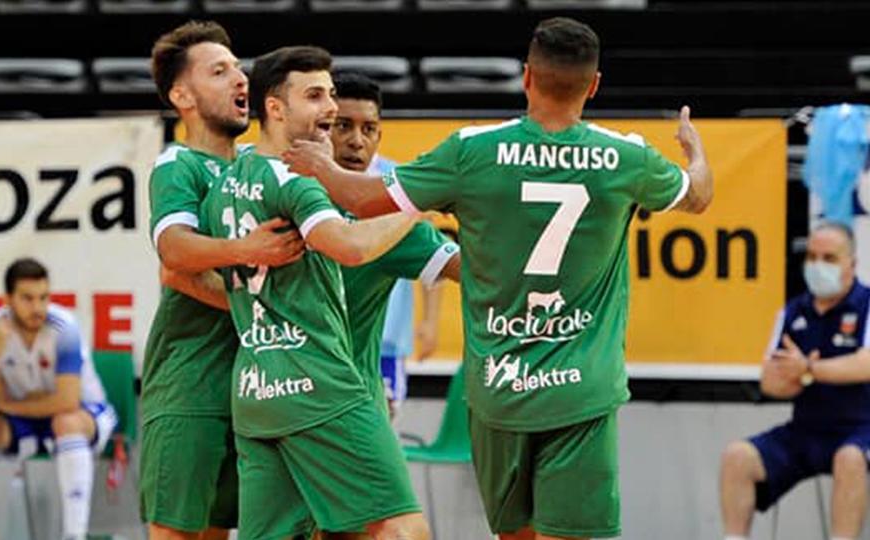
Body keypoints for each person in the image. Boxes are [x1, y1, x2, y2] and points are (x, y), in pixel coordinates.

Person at [284, 16, 713, 540]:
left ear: (527, 76)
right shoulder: (626, 157)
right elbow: (698, 195)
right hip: (580, 391)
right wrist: (696, 153)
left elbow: (360, 200)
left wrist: (321, 167)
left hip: (497, 391)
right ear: (594, 85)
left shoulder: (471, 150)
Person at [201, 45, 430, 540]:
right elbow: (348, 246)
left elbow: (200, 270)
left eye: (330, 94)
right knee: (401, 527)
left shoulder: (225, 183)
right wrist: (415, 203)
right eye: (315, 96)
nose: (330, 107)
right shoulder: (294, 178)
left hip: (258, 390)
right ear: (275, 108)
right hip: (320, 382)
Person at [142, 21, 304, 540]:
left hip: (254, 386)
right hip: (190, 388)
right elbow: (173, 255)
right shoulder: (179, 165)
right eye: (220, 71)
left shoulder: (259, 167)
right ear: (181, 95)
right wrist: (245, 251)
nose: (241, 80)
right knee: (177, 534)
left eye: (239, 68)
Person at [0, 258, 117, 540]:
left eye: (43, 297)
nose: (38, 307)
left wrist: (10, 405)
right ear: (8, 299)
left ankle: (74, 535)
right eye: (27, 298)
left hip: (84, 414)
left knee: (66, 422)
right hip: (22, 422)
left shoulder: (65, 328)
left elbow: (66, 401)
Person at [720, 223, 870, 540]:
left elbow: (865, 365)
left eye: (829, 258)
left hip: (859, 429)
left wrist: (808, 369)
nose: (818, 266)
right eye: (812, 257)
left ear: (852, 264)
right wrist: (799, 375)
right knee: (737, 457)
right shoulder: (792, 311)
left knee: (850, 459)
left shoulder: (866, 305)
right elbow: (770, 382)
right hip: (804, 429)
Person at [330, 71, 460, 420]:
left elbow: (435, 255)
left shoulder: (401, 184)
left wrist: (429, 322)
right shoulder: (300, 184)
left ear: (379, 133)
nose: (356, 140)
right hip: (311, 352)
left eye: (367, 128)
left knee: (380, 430)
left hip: (384, 340)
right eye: (343, 125)